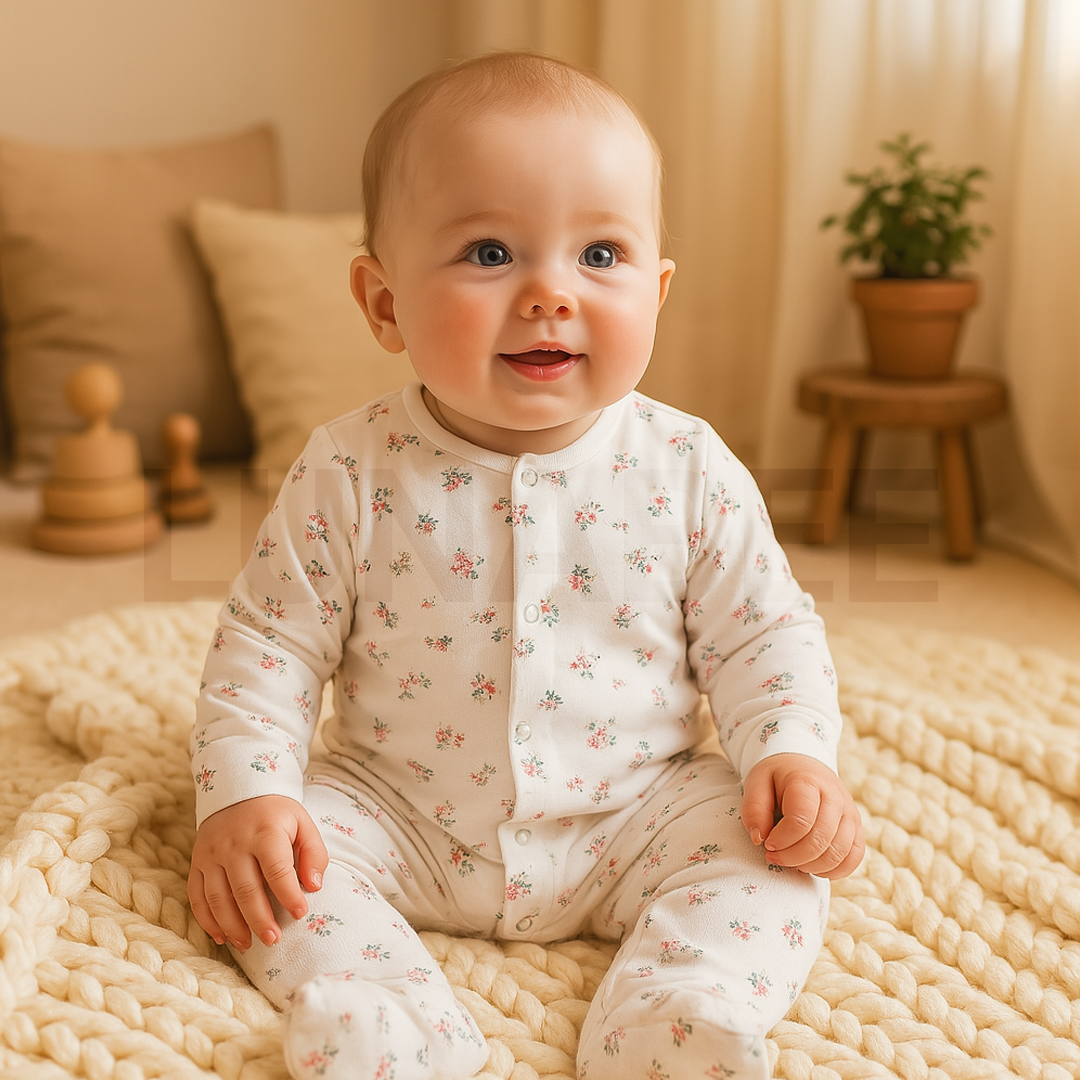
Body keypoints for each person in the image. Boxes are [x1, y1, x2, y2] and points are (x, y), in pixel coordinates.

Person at [187, 49, 864, 1080]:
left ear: (657, 290)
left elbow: (765, 631)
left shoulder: (686, 467)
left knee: (765, 857)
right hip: (401, 809)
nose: (552, 293)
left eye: (601, 256)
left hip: (636, 810)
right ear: (383, 303)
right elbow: (267, 646)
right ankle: (390, 1029)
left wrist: (792, 753)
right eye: (492, 252)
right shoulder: (347, 467)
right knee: (276, 869)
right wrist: (245, 794)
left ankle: (677, 1017)